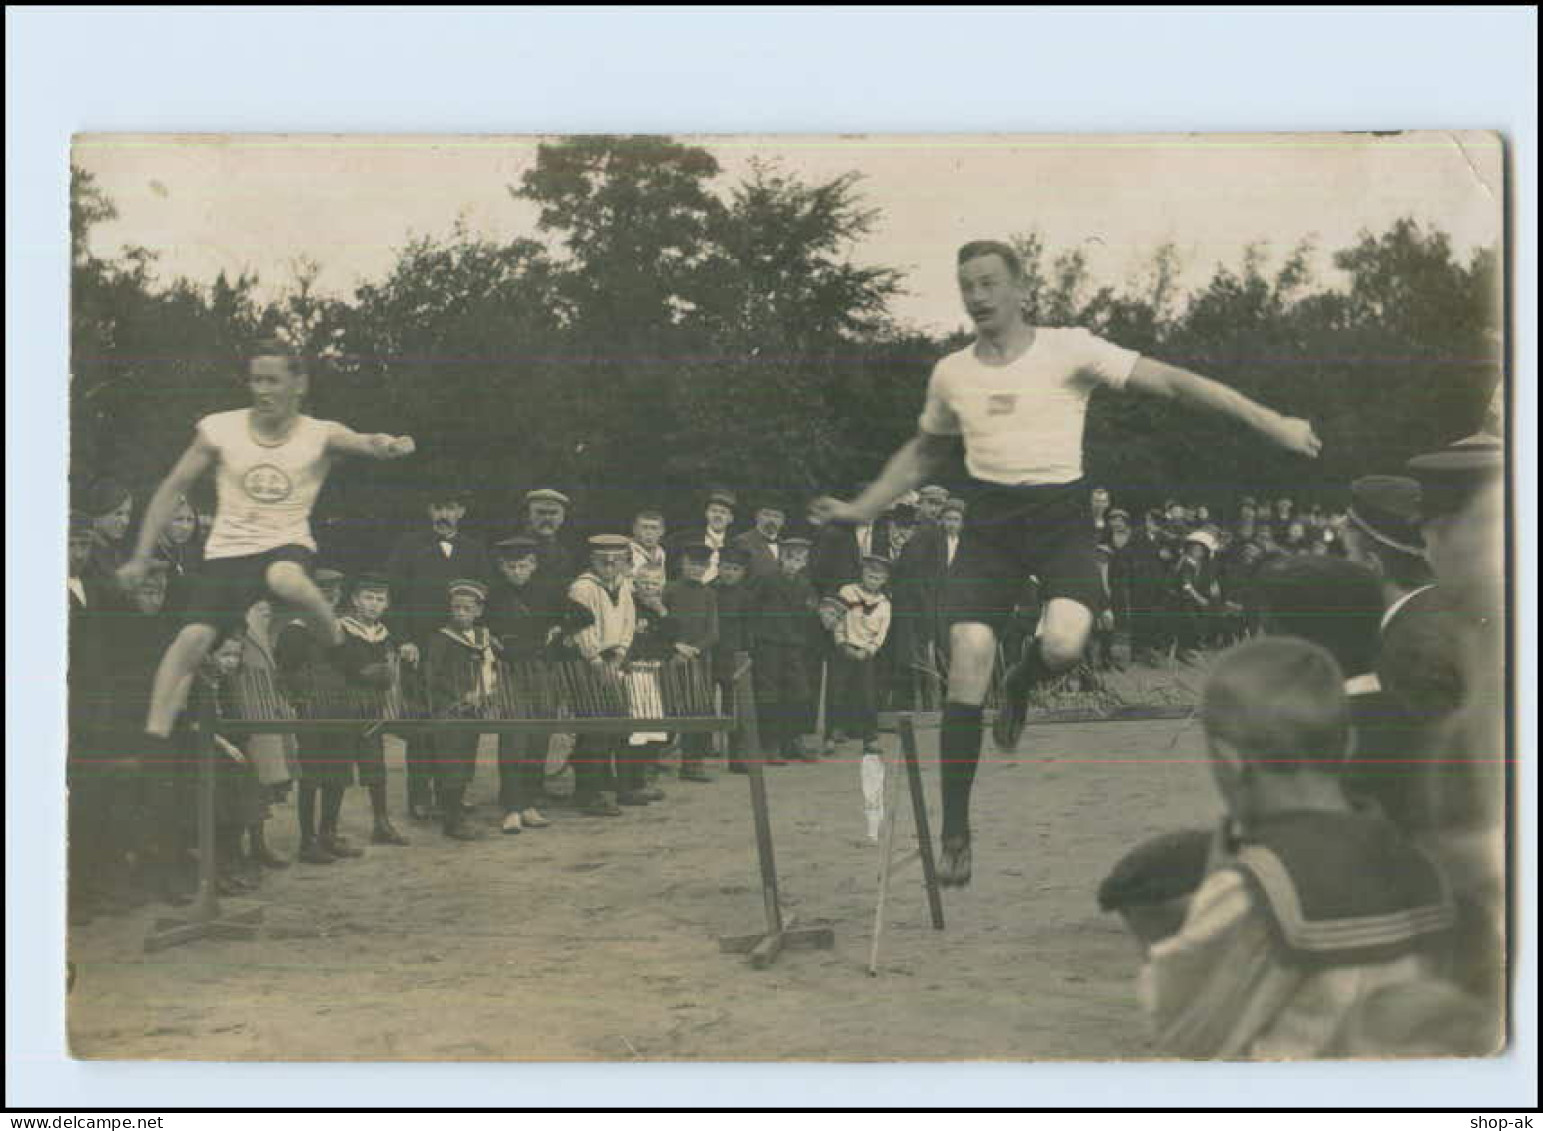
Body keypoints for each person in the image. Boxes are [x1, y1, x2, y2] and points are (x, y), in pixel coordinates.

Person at [814, 240, 1322, 885]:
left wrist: (1269, 420)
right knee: (968, 657)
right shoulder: (953, 374)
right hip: (990, 527)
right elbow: (922, 453)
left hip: (1061, 522)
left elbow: (1173, 382)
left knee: (1063, 644)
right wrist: (863, 507)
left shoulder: (1069, 348)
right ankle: (956, 833)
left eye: (991, 282)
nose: (979, 296)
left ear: (1022, 288)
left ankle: (1023, 679)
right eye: (967, 284)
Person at [1136, 637, 1473, 1059]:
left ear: (1230, 761)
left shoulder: (1256, 887)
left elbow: (1186, 1028)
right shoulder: (1418, 864)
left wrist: (1212, 882)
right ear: (1348, 744)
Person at [116, 339, 416, 750]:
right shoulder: (220, 429)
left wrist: (388, 444)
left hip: (286, 545)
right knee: (192, 640)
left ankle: (344, 652)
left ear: (299, 384)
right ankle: (152, 739)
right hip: (228, 556)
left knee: (285, 577)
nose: (263, 391)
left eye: (273, 380)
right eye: (256, 380)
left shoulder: (318, 433)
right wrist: (140, 554)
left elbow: (366, 442)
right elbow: (174, 486)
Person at [387, 486, 492, 821]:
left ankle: (455, 792)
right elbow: (395, 598)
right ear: (428, 510)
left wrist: (480, 640)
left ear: (461, 511)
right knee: (423, 723)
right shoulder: (408, 547)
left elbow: (486, 601)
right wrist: (404, 639)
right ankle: (420, 796)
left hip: (461, 651)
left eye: (451, 507)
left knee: (463, 719)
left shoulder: (474, 550)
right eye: (438, 507)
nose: (444, 515)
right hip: (419, 650)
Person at [276, 568, 361, 863]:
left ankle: (329, 833)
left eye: (334, 594)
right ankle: (307, 841)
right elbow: (284, 674)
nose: (329, 599)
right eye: (322, 594)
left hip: (340, 709)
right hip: (311, 712)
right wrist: (299, 700)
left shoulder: (342, 629)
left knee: (338, 773)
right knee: (312, 776)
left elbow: (352, 670)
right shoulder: (294, 631)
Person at [484, 535, 556, 835]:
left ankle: (529, 803)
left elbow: (578, 615)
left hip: (538, 668)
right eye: (511, 566)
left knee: (539, 736)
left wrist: (558, 628)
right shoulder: (492, 595)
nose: (517, 571)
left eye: (523, 565)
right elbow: (476, 622)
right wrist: (488, 636)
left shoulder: (544, 593)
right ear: (502, 567)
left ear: (533, 565)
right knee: (514, 736)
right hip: (507, 669)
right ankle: (512, 808)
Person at [335, 572, 414, 847]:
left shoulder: (384, 633)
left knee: (375, 766)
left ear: (387, 604)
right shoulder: (341, 629)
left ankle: (381, 823)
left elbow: (389, 671)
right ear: (355, 600)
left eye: (380, 599)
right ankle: (328, 830)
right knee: (338, 770)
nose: (373, 604)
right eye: (368, 598)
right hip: (344, 706)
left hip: (372, 708)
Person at [567, 535, 644, 815]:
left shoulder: (624, 585)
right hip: (589, 662)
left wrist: (621, 654)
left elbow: (629, 621)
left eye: (617, 559)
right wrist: (597, 661)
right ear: (593, 560)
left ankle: (620, 787)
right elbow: (581, 628)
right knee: (594, 728)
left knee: (620, 725)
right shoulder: (582, 588)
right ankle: (588, 793)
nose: (610, 565)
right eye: (604, 560)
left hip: (615, 659)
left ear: (625, 560)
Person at [423, 579, 501, 841]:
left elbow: (489, 668)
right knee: (451, 763)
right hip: (450, 710)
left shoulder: (483, 637)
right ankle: (452, 821)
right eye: (456, 608)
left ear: (478, 611)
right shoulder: (441, 639)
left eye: (467, 609)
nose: (460, 613)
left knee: (466, 760)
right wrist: (459, 696)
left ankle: (457, 810)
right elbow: (432, 676)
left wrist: (485, 693)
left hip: (474, 709)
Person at [749, 535, 818, 764]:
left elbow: (808, 612)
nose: (794, 564)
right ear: (781, 558)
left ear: (805, 561)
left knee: (799, 692)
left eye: (799, 559)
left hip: (793, 644)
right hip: (768, 643)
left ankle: (793, 740)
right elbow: (751, 606)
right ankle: (771, 745)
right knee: (770, 693)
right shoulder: (766, 579)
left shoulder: (805, 584)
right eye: (790, 558)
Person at [664, 543, 720, 782]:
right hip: (670, 658)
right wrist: (675, 647)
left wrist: (695, 650)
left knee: (696, 709)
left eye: (701, 565)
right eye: (691, 564)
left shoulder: (709, 594)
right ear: (682, 564)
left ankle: (691, 764)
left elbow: (713, 631)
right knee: (665, 707)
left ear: (707, 567)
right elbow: (661, 624)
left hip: (697, 660)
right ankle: (652, 759)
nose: (696, 569)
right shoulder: (669, 590)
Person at [829, 555, 893, 754]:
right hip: (844, 649)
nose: (872, 581)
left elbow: (881, 632)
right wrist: (841, 642)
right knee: (837, 692)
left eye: (877, 578)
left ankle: (870, 738)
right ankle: (831, 734)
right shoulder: (847, 592)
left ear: (884, 580)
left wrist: (869, 650)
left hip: (865, 653)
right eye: (869, 576)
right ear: (862, 574)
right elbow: (837, 618)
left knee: (867, 695)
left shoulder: (884, 604)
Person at [711, 545, 755, 773]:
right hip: (708, 657)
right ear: (718, 568)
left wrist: (747, 655)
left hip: (733, 658)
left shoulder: (747, 597)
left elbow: (750, 630)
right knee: (703, 706)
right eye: (725, 567)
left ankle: (736, 756)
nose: (729, 573)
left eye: (735, 569)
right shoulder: (708, 590)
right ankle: (698, 755)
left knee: (734, 707)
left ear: (743, 573)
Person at [671, 489, 737, 584]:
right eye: (714, 511)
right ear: (706, 514)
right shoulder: (685, 539)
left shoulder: (735, 545)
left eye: (723, 512)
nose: (718, 515)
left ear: (731, 519)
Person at [733, 502, 785, 582]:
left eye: (776, 516)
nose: (771, 519)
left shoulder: (784, 545)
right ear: (757, 517)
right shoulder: (742, 541)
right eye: (766, 515)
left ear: (782, 522)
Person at [628, 509, 669, 578]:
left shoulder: (661, 552)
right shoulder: (627, 550)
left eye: (654, 528)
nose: (649, 533)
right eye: (644, 527)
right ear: (634, 529)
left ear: (662, 531)